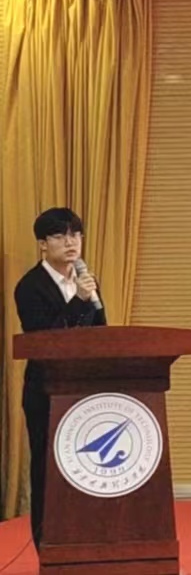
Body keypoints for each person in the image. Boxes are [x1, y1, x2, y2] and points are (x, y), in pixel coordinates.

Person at [13, 207, 106, 548]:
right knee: (48, 469)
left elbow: (102, 335)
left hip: (85, 390)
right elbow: (44, 341)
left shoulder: (86, 281)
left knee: (87, 468)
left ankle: (87, 540)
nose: (71, 242)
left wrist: (87, 299)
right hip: (46, 392)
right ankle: (47, 545)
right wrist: (79, 301)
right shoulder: (30, 287)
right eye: (60, 235)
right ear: (42, 244)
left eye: (76, 234)